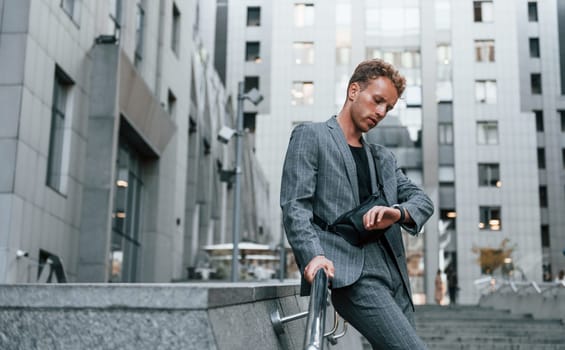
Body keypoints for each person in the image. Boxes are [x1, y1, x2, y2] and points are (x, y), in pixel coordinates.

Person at [280, 59, 434, 349]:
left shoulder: (383, 158)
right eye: (377, 101)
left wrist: (397, 213)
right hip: (352, 274)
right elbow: (295, 206)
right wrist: (312, 255)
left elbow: (423, 201)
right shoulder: (310, 136)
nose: (380, 113)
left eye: (387, 108)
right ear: (353, 91)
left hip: (394, 273)